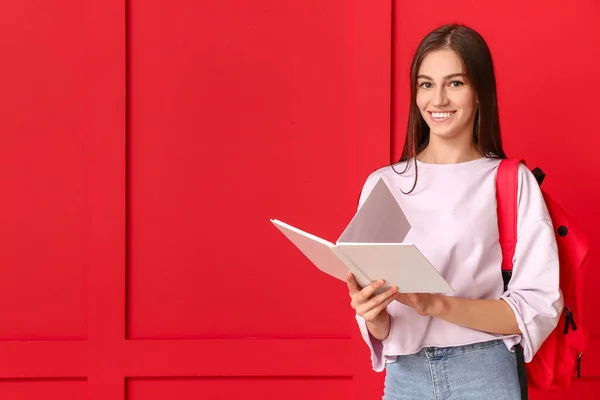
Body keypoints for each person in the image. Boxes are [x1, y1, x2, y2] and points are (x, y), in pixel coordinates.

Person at [347, 24, 562, 400]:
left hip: (485, 374)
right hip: (404, 379)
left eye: (455, 83)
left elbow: (538, 306)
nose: (438, 99)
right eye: (426, 84)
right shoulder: (385, 184)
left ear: (480, 92)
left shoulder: (510, 181)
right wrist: (373, 316)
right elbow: (383, 329)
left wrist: (436, 304)